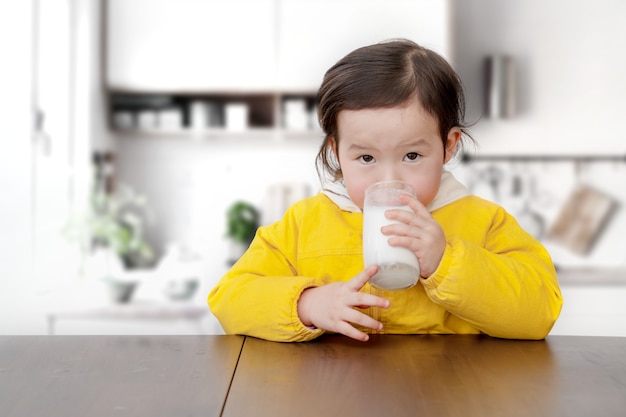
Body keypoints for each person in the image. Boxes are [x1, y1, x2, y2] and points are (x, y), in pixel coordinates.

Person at [208, 39, 562, 342]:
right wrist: (307, 304)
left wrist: (446, 260)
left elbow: (540, 309)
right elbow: (230, 299)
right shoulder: (304, 224)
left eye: (412, 155)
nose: (388, 178)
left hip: (451, 391)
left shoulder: (482, 221)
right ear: (336, 151)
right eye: (365, 157)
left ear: (448, 145)